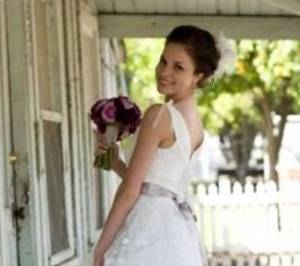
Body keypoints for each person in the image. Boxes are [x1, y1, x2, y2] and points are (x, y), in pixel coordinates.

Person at [92, 25, 225, 266]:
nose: (164, 71)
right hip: (177, 236)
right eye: (163, 61)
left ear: (199, 76)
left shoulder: (160, 115)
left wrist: (102, 248)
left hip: (148, 231)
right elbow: (156, 184)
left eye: (178, 67)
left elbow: (131, 192)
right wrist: (116, 164)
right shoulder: (197, 125)